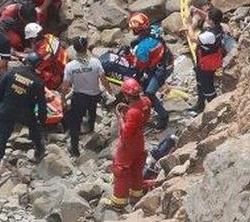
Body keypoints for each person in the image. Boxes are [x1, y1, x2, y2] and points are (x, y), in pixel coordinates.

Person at [0, 52, 47, 178]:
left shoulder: (12, 72)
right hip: (25, 113)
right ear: (37, 65)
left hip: (7, 110)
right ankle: (39, 150)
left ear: (26, 61)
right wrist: (42, 119)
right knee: (34, 129)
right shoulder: (37, 82)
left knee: (2, 137)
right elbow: (41, 103)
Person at [105, 78, 152, 211]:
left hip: (128, 145)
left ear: (126, 95)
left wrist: (120, 117)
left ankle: (118, 202)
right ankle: (136, 193)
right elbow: (143, 116)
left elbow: (126, 134)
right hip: (139, 141)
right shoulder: (146, 102)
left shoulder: (132, 113)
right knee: (137, 168)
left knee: (121, 171)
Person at [60, 37, 111, 157]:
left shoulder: (70, 66)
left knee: (75, 123)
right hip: (94, 94)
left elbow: (65, 86)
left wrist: (63, 99)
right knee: (92, 111)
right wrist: (110, 92)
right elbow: (103, 79)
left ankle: (75, 150)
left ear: (75, 49)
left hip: (79, 97)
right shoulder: (96, 62)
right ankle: (91, 128)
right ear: (86, 47)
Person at [124, 12, 173, 130]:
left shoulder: (143, 49)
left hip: (161, 69)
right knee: (145, 84)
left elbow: (140, 64)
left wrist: (128, 55)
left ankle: (163, 116)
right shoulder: (155, 30)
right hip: (167, 61)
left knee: (149, 92)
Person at [191, 29, 226, 113]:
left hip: (206, 65)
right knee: (200, 83)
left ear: (211, 20)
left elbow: (193, 39)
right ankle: (200, 105)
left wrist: (188, 25)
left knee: (207, 87)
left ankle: (215, 109)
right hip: (203, 63)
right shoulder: (218, 30)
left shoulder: (210, 35)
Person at [24, 23, 67, 91]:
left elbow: (36, 67)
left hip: (58, 76)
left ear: (33, 38)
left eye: (30, 39)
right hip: (63, 63)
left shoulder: (43, 53)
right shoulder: (49, 36)